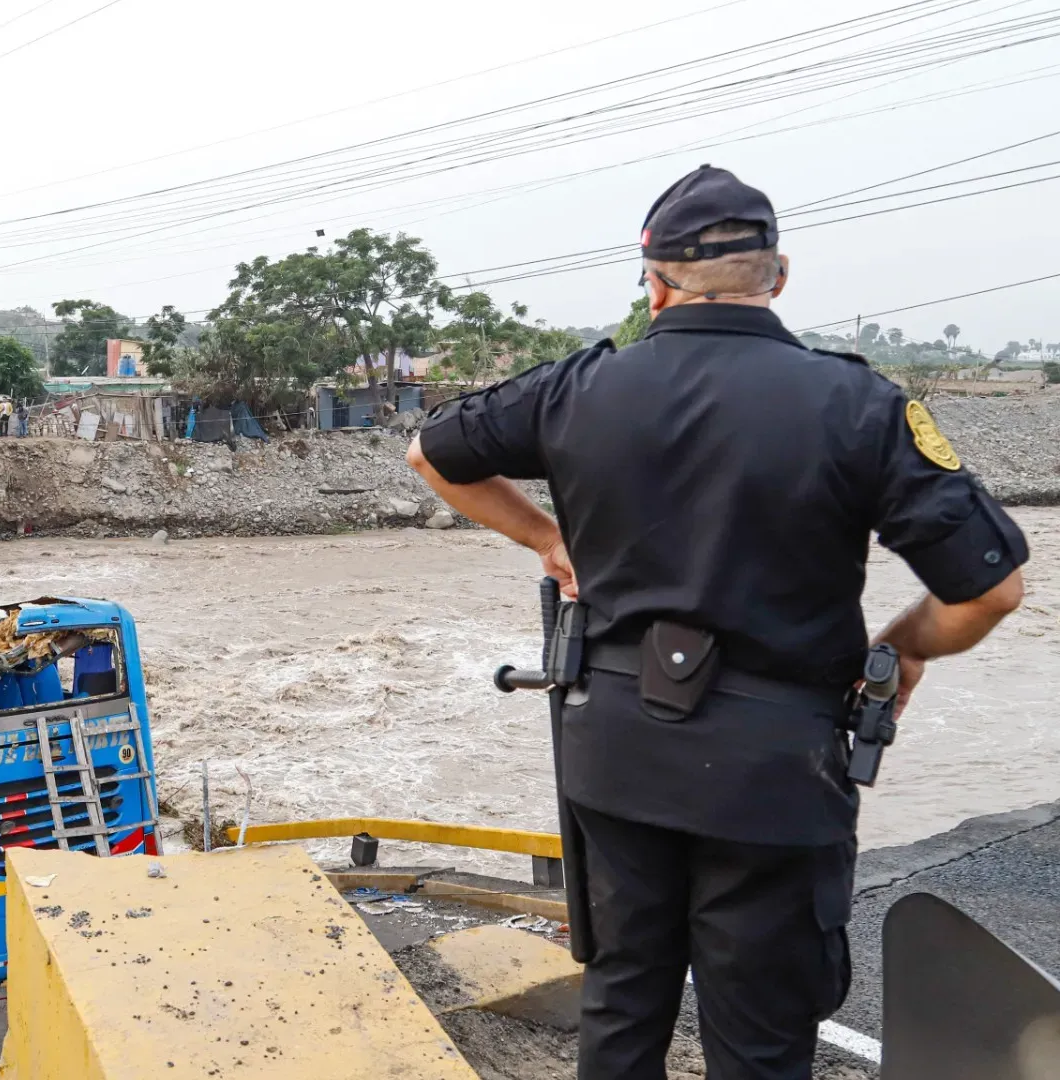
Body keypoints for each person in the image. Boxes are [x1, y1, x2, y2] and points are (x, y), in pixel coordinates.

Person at [407, 165, 1026, 1080]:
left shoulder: (580, 388)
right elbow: (990, 589)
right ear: (778, 277)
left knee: (621, 1006)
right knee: (763, 1036)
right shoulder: (860, 405)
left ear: (651, 281)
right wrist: (897, 650)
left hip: (612, 753)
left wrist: (549, 539)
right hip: (777, 774)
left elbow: (431, 452)